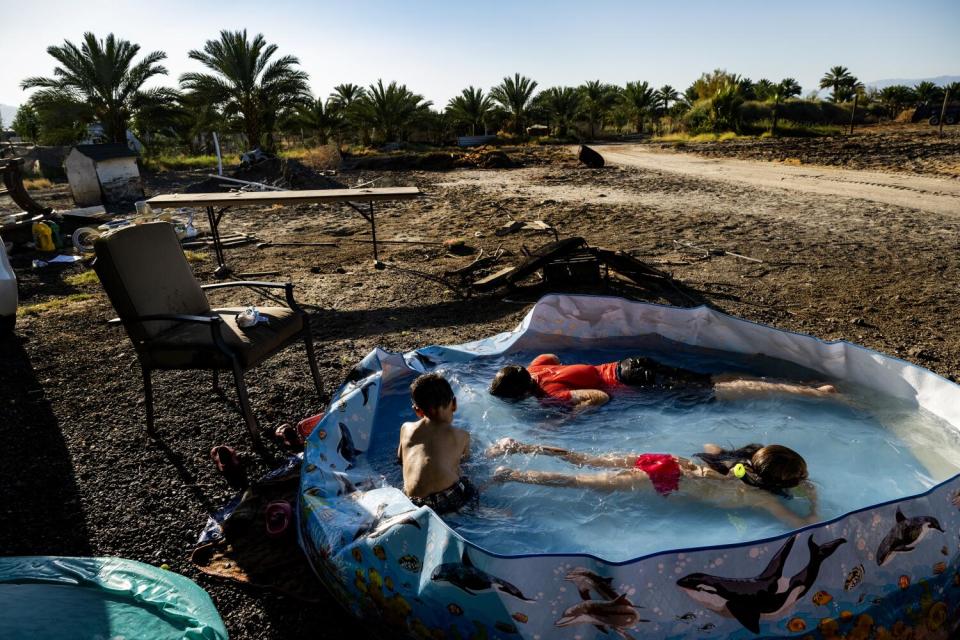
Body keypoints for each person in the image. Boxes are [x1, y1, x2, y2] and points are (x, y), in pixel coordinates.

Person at [487, 438, 819, 528]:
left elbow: (710, 448)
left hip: (673, 461)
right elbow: (803, 523)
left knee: (584, 458)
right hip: (669, 479)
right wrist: (813, 500)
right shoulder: (763, 500)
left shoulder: (738, 467)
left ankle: (520, 446)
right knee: (580, 481)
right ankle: (511, 475)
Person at [488, 354, 837, 410]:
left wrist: (568, 413)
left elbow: (598, 397)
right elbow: (564, 365)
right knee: (710, 379)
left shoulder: (549, 393)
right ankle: (802, 383)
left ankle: (812, 393)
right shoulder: (539, 367)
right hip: (631, 362)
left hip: (633, 381)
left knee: (717, 391)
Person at [397, 373, 477, 514]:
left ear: (417, 411)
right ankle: (487, 509)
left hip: (411, 502)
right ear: (454, 404)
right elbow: (465, 462)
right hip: (446, 499)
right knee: (467, 481)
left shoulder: (406, 428)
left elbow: (400, 460)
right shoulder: (461, 435)